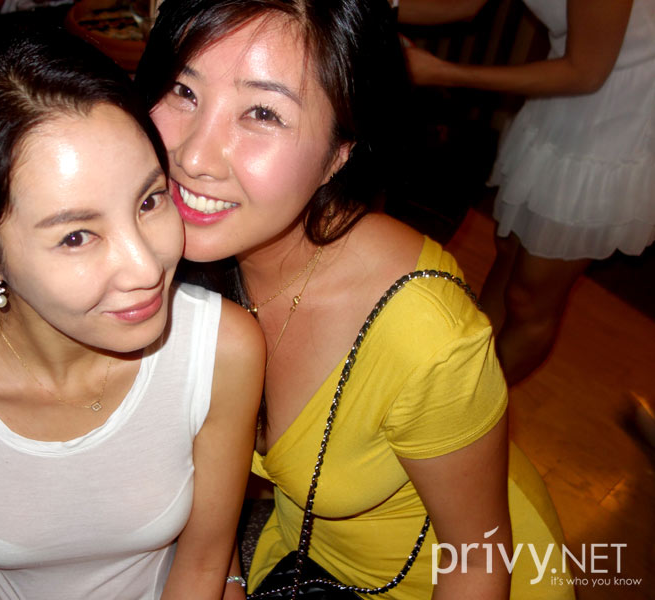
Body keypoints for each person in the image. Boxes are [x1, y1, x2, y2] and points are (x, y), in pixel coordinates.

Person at [137, 0, 573, 597]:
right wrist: (228, 577)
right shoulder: (167, 244)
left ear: (339, 152)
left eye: (262, 112)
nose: (192, 157)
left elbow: (478, 562)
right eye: (184, 91)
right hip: (302, 558)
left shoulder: (425, 333)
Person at [0, 24, 263, 599]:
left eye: (149, 200)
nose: (145, 268)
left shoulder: (223, 350)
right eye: (76, 236)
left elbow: (204, 562)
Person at [400, 0, 655, 384]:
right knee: (508, 250)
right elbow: (467, 3)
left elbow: (586, 73)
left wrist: (443, 72)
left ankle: (471, 407)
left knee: (530, 297)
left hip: (618, 110)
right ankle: (460, 377)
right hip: (565, 87)